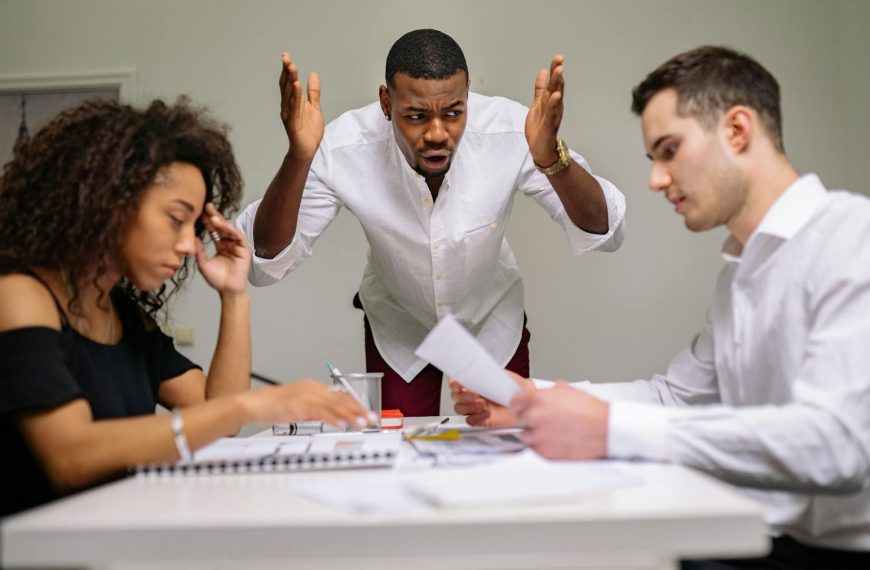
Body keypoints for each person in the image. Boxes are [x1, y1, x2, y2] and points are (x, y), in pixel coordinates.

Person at [451, 46, 870, 569]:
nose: (655, 180)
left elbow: (836, 446)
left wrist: (609, 429)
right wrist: (530, 397)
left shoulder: (855, 238)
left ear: (738, 130)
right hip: (765, 539)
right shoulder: (739, 277)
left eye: (669, 151)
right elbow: (675, 398)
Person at [0, 98, 372, 518]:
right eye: (176, 219)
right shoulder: (19, 296)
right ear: (107, 202)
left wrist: (234, 295)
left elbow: (219, 420)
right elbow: (70, 457)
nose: (187, 244)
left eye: (194, 226)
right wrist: (250, 407)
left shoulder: (124, 315)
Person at [236, 29, 625, 416]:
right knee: (397, 450)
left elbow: (605, 229)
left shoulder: (514, 131)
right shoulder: (342, 147)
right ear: (386, 102)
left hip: (492, 323)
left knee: (507, 446)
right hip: (399, 327)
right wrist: (299, 158)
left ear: (468, 94)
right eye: (417, 116)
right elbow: (265, 259)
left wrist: (549, 159)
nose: (437, 134)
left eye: (454, 112)